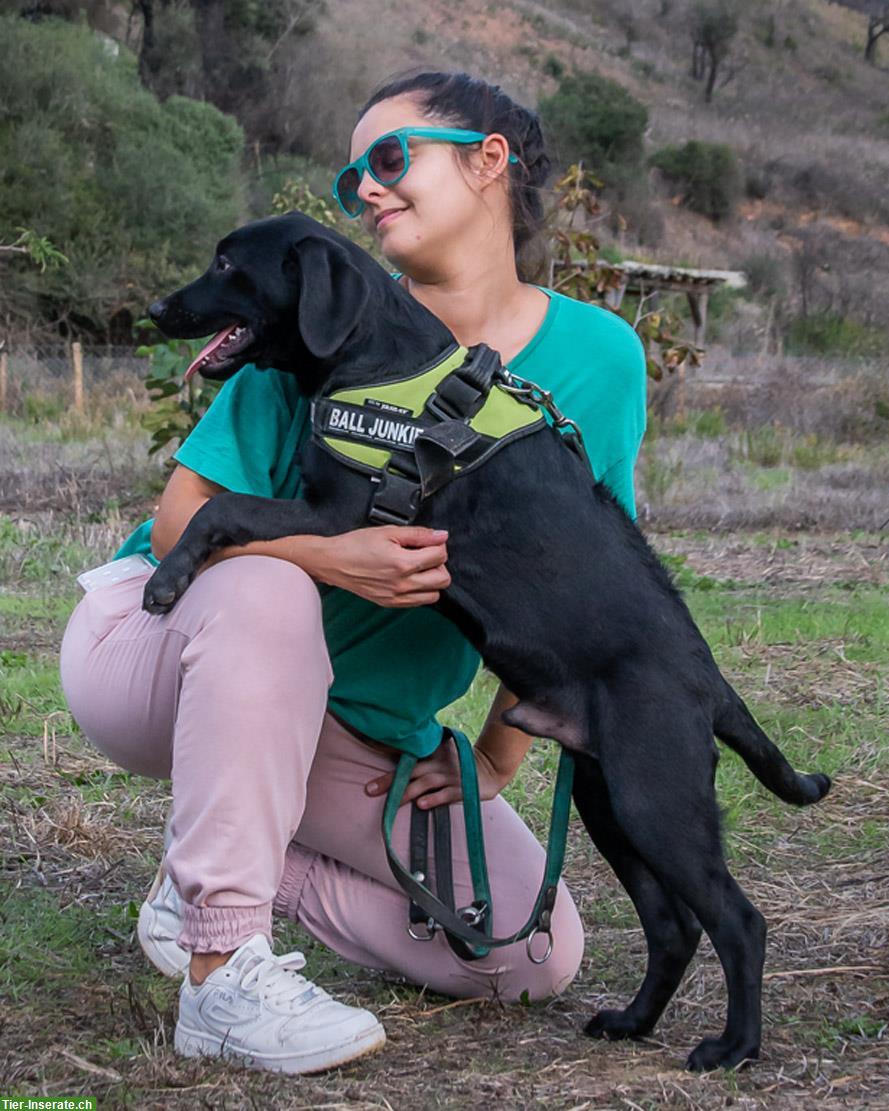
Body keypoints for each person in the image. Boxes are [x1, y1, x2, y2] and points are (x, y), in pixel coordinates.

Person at [59, 70, 647, 1076]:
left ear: (487, 159)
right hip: (162, 650)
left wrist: (499, 755)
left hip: (352, 726)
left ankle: (223, 871)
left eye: (387, 159)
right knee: (268, 582)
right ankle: (221, 971)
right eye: (351, 178)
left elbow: (586, 583)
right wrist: (339, 558)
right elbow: (179, 525)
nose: (365, 190)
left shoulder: (597, 356)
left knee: (527, 948)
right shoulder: (319, 314)